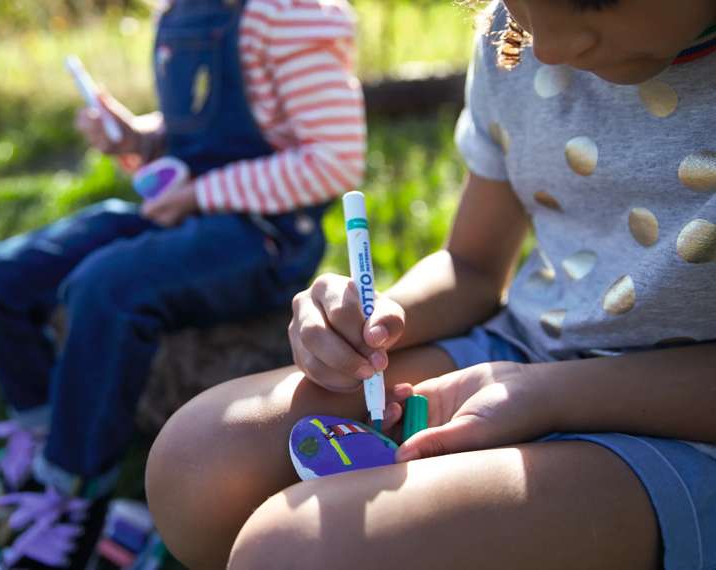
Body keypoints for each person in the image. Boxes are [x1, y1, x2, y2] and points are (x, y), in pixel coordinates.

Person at [145, 1, 716, 568]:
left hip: (679, 425)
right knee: (197, 464)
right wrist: (377, 314)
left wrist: (550, 396)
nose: (552, 49)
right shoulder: (515, 40)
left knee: (293, 553)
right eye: (523, 9)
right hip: (522, 357)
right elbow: (470, 264)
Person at [0, 0, 365, 566]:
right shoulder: (178, 12)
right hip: (188, 208)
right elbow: (200, 135)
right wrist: (142, 138)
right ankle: (48, 439)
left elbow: (335, 160)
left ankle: (73, 494)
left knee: (105, 288)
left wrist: (200, 195)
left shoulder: (289, 14)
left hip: (263, 234)